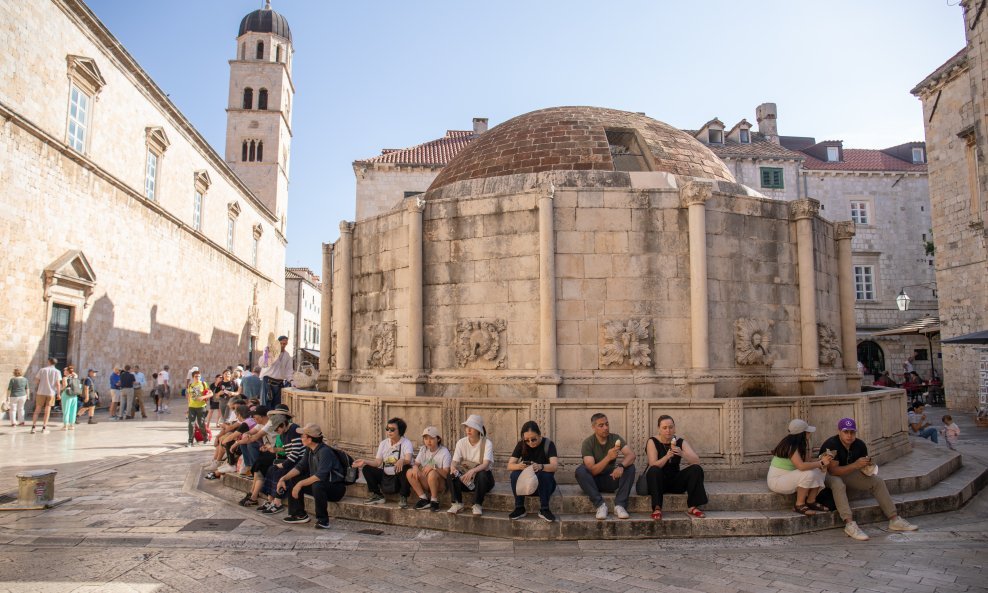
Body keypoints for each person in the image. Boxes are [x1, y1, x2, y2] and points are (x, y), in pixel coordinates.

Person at [821, 418, 918, 541]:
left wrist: (869, 465)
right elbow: (833, 471)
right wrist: (855, 465)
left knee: (877, 481)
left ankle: (894, 519)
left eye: (852, 432)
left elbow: (862, 467)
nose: (849, 435)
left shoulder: (859, 444)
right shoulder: (832, 444)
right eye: (846, 432)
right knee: (838, 483)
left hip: (847, 472)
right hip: (826, 475)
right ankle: (849, 524)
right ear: (839, 431)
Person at [276, 423, 347, 528]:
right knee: (295, 478)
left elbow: (320, 476)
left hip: (336, 489)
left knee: (317, 484)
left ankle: (323, 520)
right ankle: (299, 514)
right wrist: (283, 478)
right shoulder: (309, 450)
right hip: (321, 484)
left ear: (310, 439)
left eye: (303, 436)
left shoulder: (324, 451)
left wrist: (300, 484)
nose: (301, 438)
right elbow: (300, 467)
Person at [642, 415, 708, 519]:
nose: (668, 430)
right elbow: (652, 464)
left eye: (671, 427)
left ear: (674, 428)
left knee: (696, 469)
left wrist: (682, 453)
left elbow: (697, 461)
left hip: (675, 481)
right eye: (664, 428)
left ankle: (693, 506)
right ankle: (657, 508)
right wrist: (667, 457)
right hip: (658, 482)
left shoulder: (680, 441)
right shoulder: (652, 441)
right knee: (654, 470)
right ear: (659, 429)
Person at [575, 413, 636, 520]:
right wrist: (608, 457)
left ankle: (620, 505)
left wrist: (621, 466)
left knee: (630, 467)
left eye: (607, 424)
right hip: (592, 482)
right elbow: (592, 470)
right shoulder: (588, 443)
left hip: (610, 478)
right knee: (580, 471)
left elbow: (631, 455)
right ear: (594, 427)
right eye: (601, 425)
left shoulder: (615, 438)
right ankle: (600, 506)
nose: (606, 428)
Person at [766, 419, 831, 515]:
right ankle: (799, 505)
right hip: (777, 481)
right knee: (809, 473)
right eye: (807, 432)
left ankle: (811, 501)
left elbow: (808, 461)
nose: (810, 434)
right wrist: (821, 463)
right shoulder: (790, 446)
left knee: (818, 470)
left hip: (789, 477)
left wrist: (822, 459)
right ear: (802, 434)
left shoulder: (798, 444)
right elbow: (801, 466)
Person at [354, 417, 413, 508]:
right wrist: (364, 461)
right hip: (385, 477)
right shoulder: (383, 443)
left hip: (398, 478)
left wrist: (402, 460)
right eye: (387, 429)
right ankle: (377, 495)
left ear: (400, 431)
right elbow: (377, 462)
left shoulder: (406, 443)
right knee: (367, 468)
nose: (389, 431)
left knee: (406, 467)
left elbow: (408, 460)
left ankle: (403, 496)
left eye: (392, 429)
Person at [506, 421, 558, 522]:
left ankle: (545, 509)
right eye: (527, 440)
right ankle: (519, 507)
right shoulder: (521, 444)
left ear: (539, 435)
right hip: (527, 487)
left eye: (533, 439)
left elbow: (554, 466)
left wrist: (541, 466)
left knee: (545, 475)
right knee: (514, 475)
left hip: (544, 488)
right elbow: (509, 465)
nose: (530, 442)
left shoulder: (548, 444)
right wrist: (519, 466)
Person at [448, 414, 495, 515]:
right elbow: (454, 461)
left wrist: (473, 470)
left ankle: (477, 504)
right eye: (467, 427)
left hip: (484, 481)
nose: (468, 430)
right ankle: (457, 503)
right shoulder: (461, 443)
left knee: (482, 473)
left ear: (479, 430)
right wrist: (453, 468)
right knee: (451, 474)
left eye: (472, 428)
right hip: (467, 481)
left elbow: (486, 464)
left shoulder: (487, 443)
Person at [408, 426, 452, 512]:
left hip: (440, 484)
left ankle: (434, 501)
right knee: (410, 472)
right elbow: (415, 464)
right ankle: (423, 499)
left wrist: (434, 467)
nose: (428, 441)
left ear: (438, 439)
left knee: (432, 473)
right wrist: (415, 467)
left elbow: (446, 474)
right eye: (426, 438)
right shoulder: (423, 449)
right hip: (426, 481)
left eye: (431, 438)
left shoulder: (444, 452)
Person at [260, 335, 293, 407]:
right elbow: (264, 364)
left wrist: (291, 380)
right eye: (281, 343)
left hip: (279, 383)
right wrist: (267, 354)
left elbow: (289, 370)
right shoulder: (270, 351)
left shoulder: (287, 355)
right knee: (267, 405)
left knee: (277, 405)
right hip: (268, 381)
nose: (283, 345)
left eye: (285, 344)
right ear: (278, 343)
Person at [31, 357, 62, 433]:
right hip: (51, 393)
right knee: (47, 411)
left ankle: (33, 427)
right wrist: (58, 394)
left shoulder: (42, 370)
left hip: (41, 392)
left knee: (37, 409)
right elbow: (58, 384)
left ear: (49, 362)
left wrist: (42, 384)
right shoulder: (57, 372)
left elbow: (36, 381)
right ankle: (44, 427)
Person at [186, 370, 212, 447]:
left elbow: (211, 394)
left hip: (201, 407)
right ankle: (190, 441)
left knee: (201, 423)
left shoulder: (204, 384)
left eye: (199, 376)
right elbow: (189, 396)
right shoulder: (190, 385)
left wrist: (203, 397)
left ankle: (205, 438)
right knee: (191, 424)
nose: (198, 378)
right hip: (192, 407)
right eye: (196, 376)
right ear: (193, 377)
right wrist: (188, 407)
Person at [59, 365, 83, 430]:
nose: (63, 371)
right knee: (73, 410)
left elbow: (65, 386)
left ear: (67, 371)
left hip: (66, 395)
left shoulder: (65, 378)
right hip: (74, 395)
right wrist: (71, 373)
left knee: (66, 410)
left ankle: (65, 426)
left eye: (65, 370)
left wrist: (60, 390)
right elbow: (75, 374)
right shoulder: (75, 377)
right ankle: (72, 425)